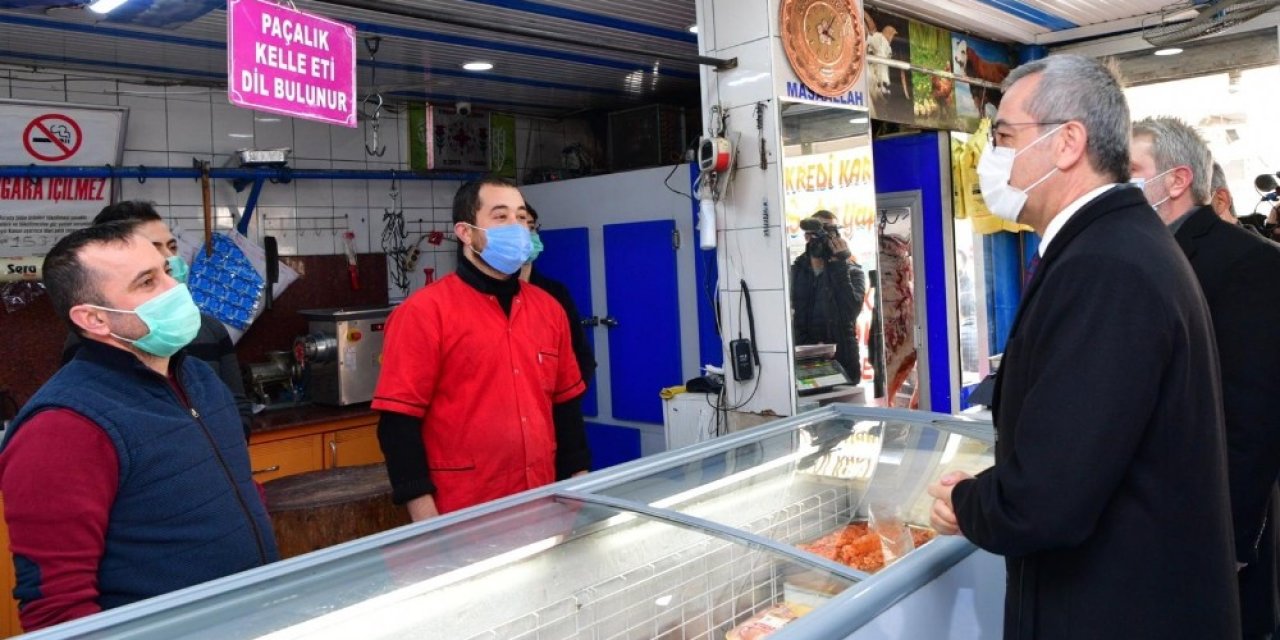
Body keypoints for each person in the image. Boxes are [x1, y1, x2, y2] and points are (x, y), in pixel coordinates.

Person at [926, 54, 1241, 638]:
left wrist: (970, 502)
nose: (993, 158)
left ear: (1068, 141)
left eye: (1003, 137)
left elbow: (1048, 500)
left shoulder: (1105, 266)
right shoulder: (1116, 243)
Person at [0, 221, 278, 631]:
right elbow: (57, 608)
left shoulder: (200, 379)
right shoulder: (63, 428)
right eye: (147, 282)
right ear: (94, 318)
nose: (175, 289)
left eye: (168, 270)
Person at [1131, 116, 1280, 640]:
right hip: (1152, 526)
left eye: (1131, 172)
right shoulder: (1134, 253)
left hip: (1211, 526)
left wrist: (1233, 542)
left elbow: (1252, 418)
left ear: (1176, 180)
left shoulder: (1249, 264)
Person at [373, 176, 587, 521]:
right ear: (465, 233)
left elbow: (566, 408)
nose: (516, 227)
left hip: (541, 499)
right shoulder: (422, 313)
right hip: (460, 511)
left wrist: (579, 484)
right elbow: (397, 424)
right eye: (500, 217)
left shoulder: (549, 309)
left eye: (521, 217)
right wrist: (424, 516)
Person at [61, 201, 254, 438]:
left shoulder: (210, 329)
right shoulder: (93, 338)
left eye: (172, 247)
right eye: (153, 248)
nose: (170, 260)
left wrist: (225, 446)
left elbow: (237, 404)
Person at [518, 203, 593, 480]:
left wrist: (562, 402)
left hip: (552, 430)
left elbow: (581, 358)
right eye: (517, 222)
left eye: (531, 225)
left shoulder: (554, 294)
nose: (526, 232)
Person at [790, 210, 866, 382]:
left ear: (837, 236)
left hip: (843, 361)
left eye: (828, 232)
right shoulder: (796, 272)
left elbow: (850, 312)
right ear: (807, 237)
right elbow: (790, 317)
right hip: (806, 362)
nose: (823, 238)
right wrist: (810, 348)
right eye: (817, 232)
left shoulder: (852, 271)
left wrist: (839, 266)